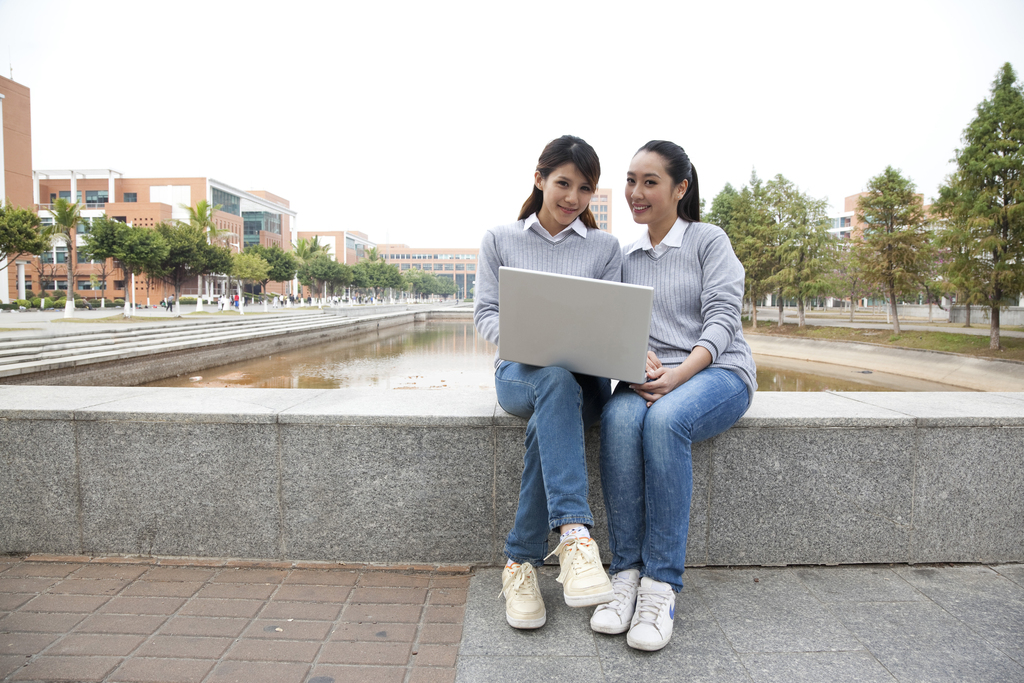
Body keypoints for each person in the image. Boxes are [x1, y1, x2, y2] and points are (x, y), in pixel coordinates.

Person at [590, 141, 757, 651]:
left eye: (650, 182)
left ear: (680, 188)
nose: (636, 193)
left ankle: (661, 585)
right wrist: (635, 358)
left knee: (665, 422)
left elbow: (724, 320)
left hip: (716, 370)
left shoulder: (708, 240)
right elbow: (617, 323)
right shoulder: (625, 254)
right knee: (617, 421)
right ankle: (625, 575)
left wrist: (680, 375)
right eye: (631, 180)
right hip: (649, 376)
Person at [474, 135, 622, 630]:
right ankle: (577, 539)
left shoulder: (605, 249)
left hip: (584, 387)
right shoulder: (501, 239)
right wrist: (520, 340)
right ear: (539, 180)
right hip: (518, 374)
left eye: (585, 188)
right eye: (563, 183)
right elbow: (485, 315)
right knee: (550, 379)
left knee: (560, 385)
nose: (572, 198)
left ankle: (520, 563)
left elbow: (614, 323)